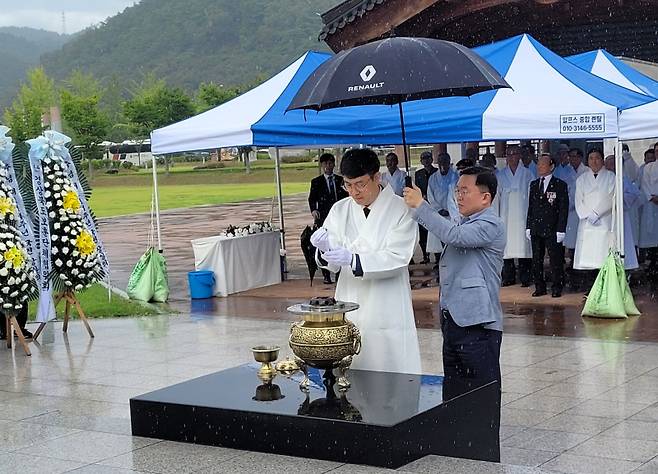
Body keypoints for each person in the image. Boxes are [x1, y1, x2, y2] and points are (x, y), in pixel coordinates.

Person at [310, 148, 421, 374]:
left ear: (377, 177)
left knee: (388, 366)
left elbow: (398, 257)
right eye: (348, 185)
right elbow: (331, 262)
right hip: (350, 296)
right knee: (350, 368)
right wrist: (324, 250)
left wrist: (354, 259)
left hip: (386, 301)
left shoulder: (401, 209)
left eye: (360, 184)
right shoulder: (340, 209)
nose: (354, 192)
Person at [403, 166, 505, 393]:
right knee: (455, 391)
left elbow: (454, 236)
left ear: (485, 197)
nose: (458, 197)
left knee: (481, 393)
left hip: (478, 324)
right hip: (454, 321)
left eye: (465, 191)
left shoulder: (491, 224)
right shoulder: (464, 222)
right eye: (457, 191)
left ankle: (482, 430)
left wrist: (421, 205)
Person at [526, 154, 569, 297]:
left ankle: (557, 286)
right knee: (536, 259)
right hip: (536, 227)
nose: (540, 167)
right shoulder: (533, 184)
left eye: (543, 164)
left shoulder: (560, 185)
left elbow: (563, 208)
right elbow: (530, 207)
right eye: (538, 164)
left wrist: (561, 229)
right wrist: (528, 226)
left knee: (555, 259)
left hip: (552, 227)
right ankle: (540, 286)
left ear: (551, 166)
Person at [496, 145, 534, 287]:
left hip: (522, 216)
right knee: (507, 248)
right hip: (505, 217)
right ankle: (509, 277)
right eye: (509, 154)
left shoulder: (527, 174)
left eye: (514, 154)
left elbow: (532, 196)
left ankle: (525, 277)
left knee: (523, 247)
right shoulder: (500, 175)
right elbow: (497, 198)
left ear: (519, 156)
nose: (512, 157)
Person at [308, 152, 348, 284]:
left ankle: (339, 271)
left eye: (330, 163)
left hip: (340, 216)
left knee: (340, 243)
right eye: (325, 164)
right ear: (322, 165)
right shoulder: (316, 182)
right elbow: (312, 198)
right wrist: (314, 210)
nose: (328, 166)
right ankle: (326, 274)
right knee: (324, 244)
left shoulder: (340, 180)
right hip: (324, 216)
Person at [573, 148, 615, 272]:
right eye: (591, 158)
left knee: (603, 253)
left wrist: (597, 213)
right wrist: (588, 214)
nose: (594, 161)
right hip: (587, 221)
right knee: (588, 254)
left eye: (597, 158)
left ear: (602, 160)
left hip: (604, 219)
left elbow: (611, 196)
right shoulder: (581, 179)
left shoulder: (610, 176)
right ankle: (590, 285)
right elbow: (578, 200)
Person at [604, 155, 640, 270]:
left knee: (622, 241)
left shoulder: (622, 179)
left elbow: (633, 194)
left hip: (620, 216)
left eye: (612, 164)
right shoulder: (603, 178)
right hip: (606, 216)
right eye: (608, 164)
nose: (609, 167)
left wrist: (618, 198)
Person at [426, 152, 458, 258]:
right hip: (438, 214)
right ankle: (438, 261)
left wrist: (451, 209)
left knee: (451, 241)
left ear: (449, 162)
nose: (442, 164)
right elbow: (430, 196)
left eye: (445, 161)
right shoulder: (433, 178)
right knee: (437, 240)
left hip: (452, 215)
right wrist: (439, 209)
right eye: (440, 161)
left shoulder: (456, 177)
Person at [414, 151, 438, 263]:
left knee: (436, 232)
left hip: (435, 205)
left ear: (432, 159)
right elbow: (417, 188)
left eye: (428, 158)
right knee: (423, 232)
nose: (426, 160)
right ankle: (425, 256)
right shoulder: (418, 174)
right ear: (421, 161)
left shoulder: (437, 172)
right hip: (423, 204)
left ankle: (438, 257)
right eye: (423, 158)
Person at [638, 158, 658, 291]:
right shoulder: (648, 167)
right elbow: (644, 184)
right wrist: (652, 197)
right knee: (652, 234)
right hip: (651, 203)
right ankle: (653, 263)